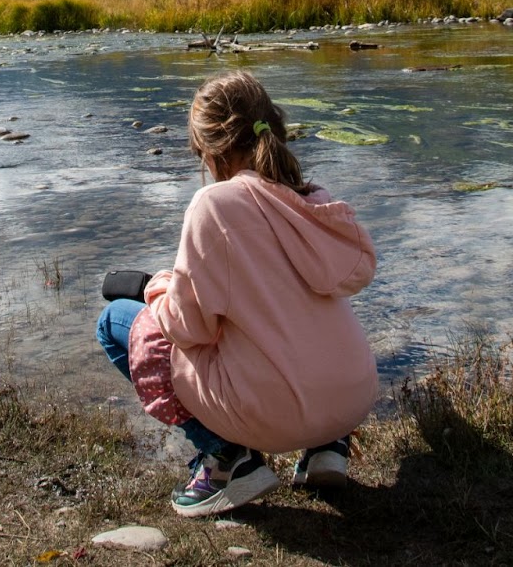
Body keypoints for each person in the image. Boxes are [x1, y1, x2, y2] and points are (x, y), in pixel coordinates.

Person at [95, 70, 379, 517]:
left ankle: (229, 458)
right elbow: (344, 278)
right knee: (302, 319)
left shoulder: (215, 206)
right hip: (350, 399)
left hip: (278, 413)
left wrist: (159, 286)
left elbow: (190, 328)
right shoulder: (312, 198)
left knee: (115, 324)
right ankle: (328, 446)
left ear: (209, 150)